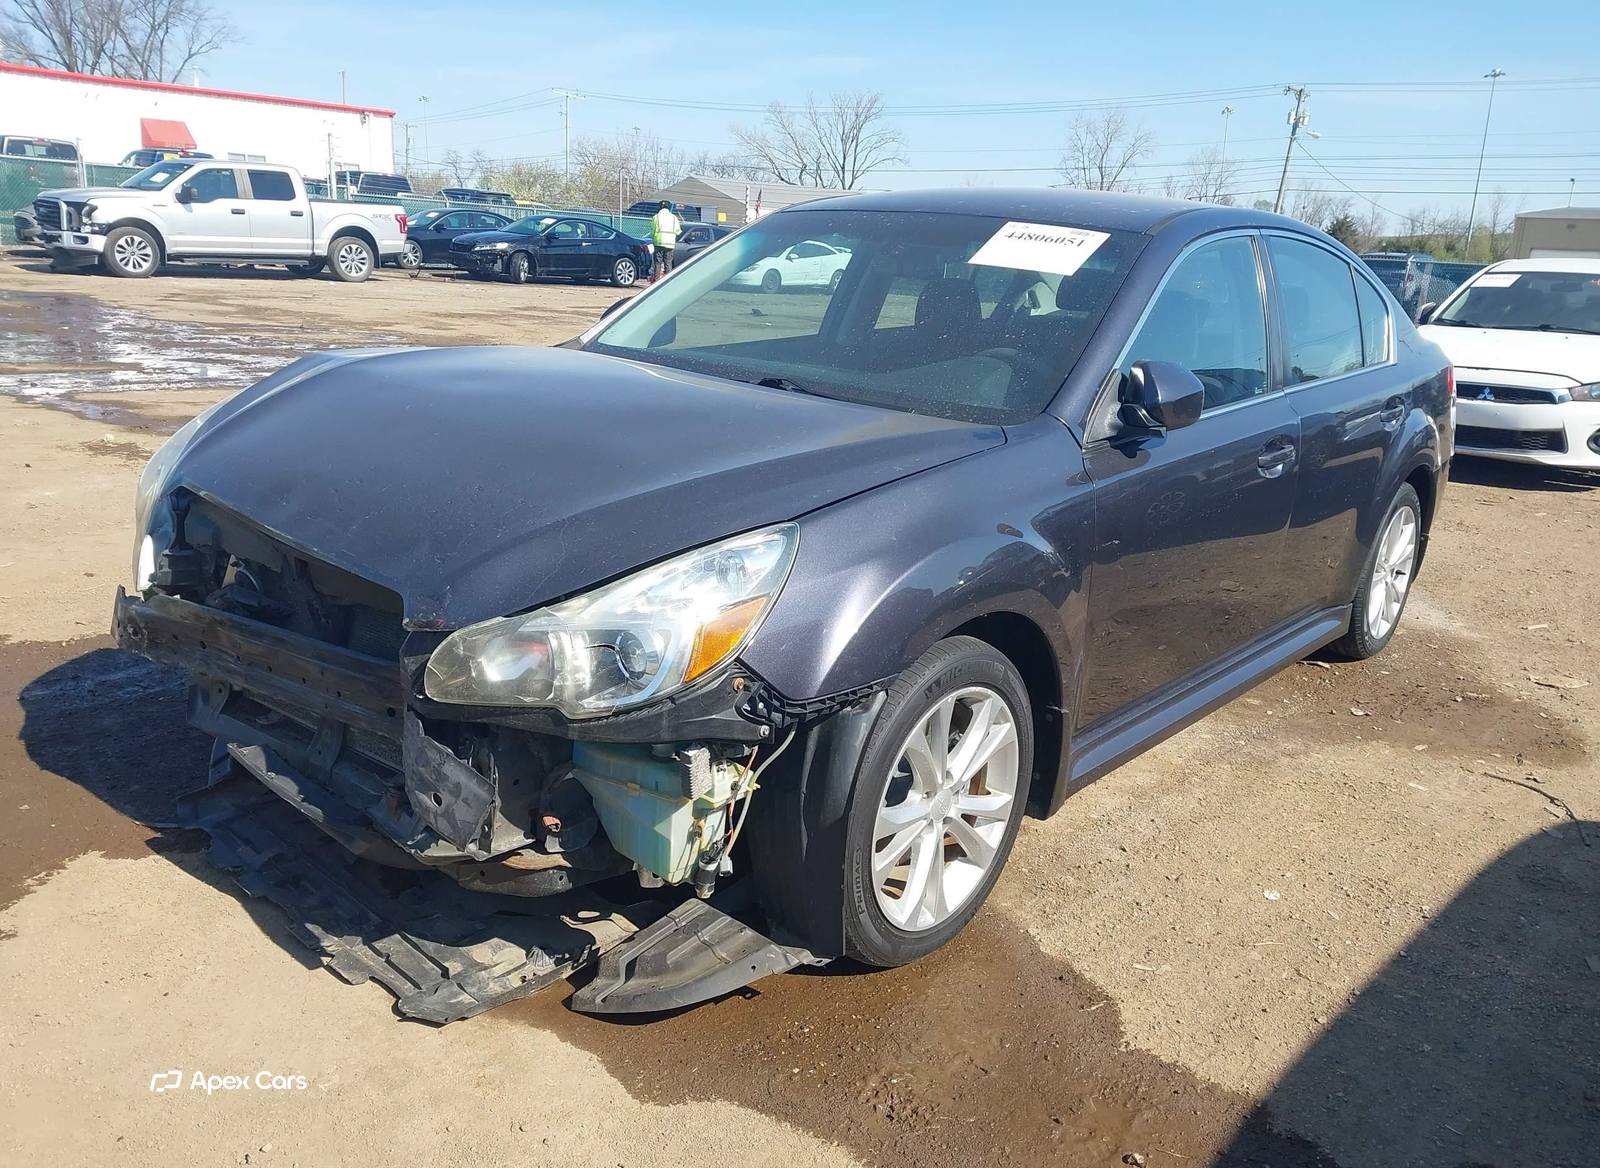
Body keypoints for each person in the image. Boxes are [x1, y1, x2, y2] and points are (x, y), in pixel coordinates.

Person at [650, 200, 679, 280]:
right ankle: (667, 282)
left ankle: (656, 281)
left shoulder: (656, 217)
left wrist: (653, 238)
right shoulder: (674, 218)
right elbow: (678, 231)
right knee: (668, 264)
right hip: (670, 244)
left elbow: (652, 231)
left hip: (658, 243)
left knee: (657, 263)